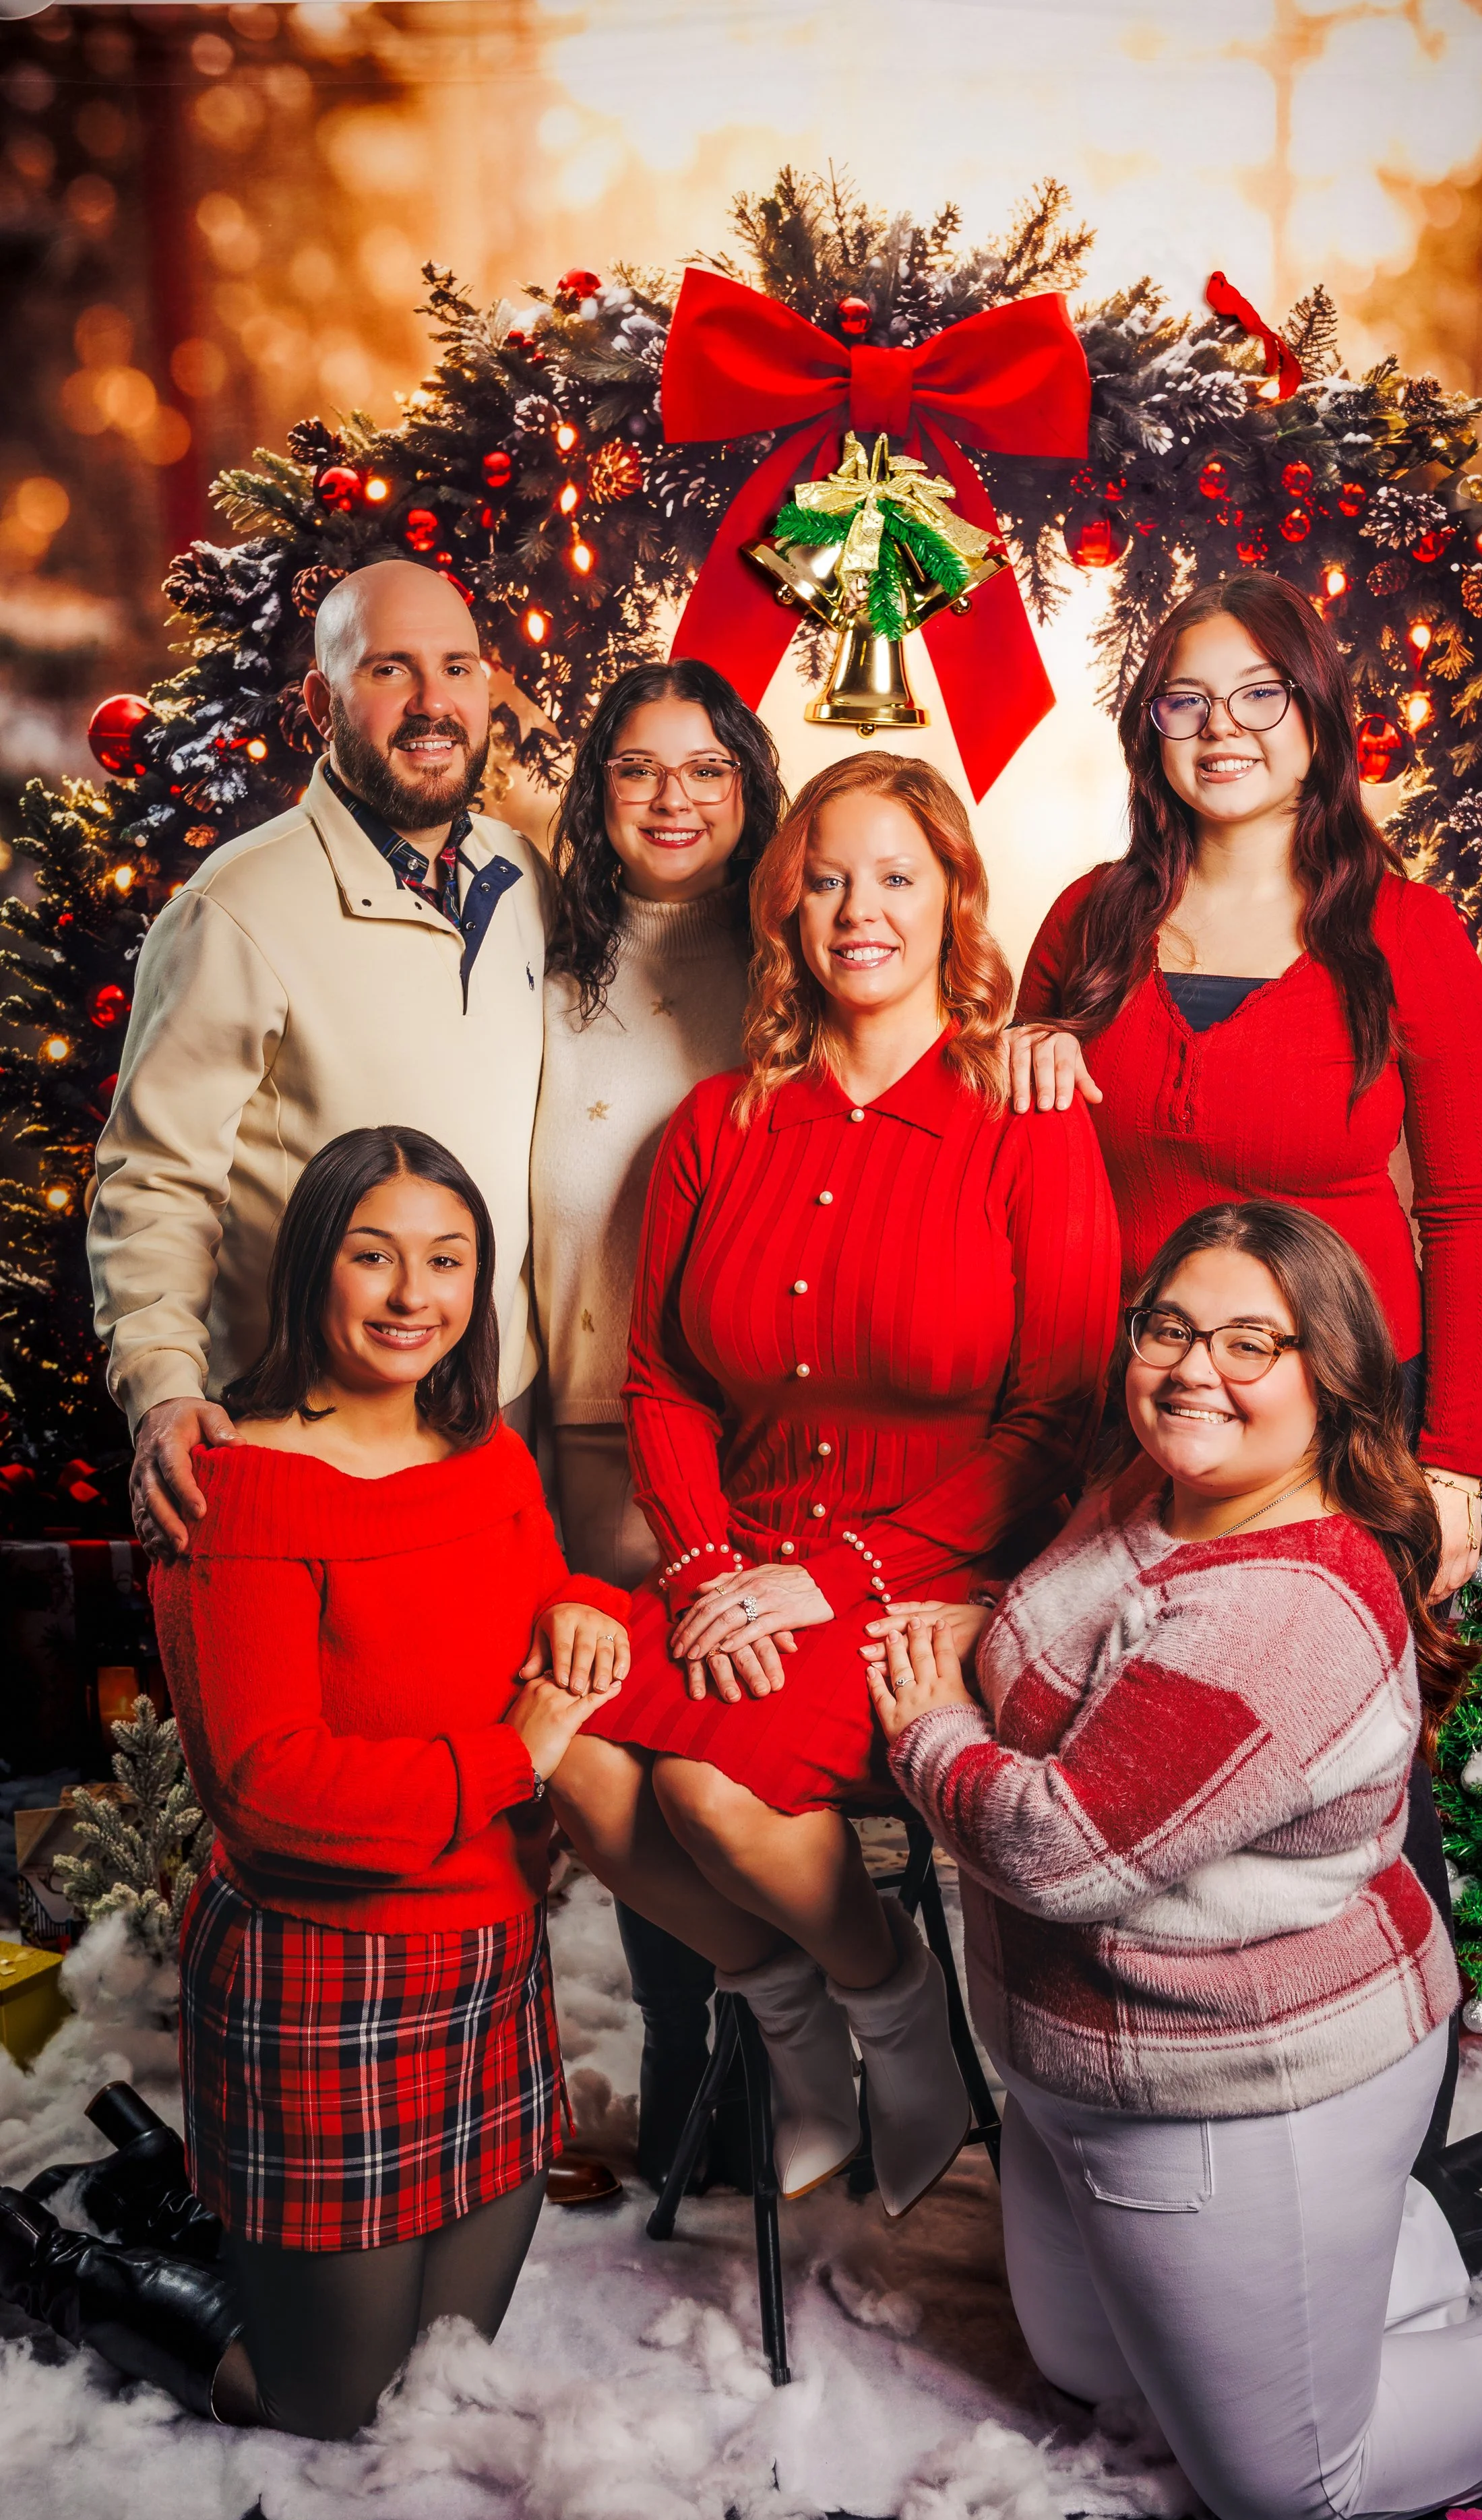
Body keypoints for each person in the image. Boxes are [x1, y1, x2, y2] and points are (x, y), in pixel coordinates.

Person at [869, 1200, 1482, 2520]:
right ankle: (1370, 2263)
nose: (1196, 1370)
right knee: (1085, 2369)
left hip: (1234, 2085)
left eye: (1254, 1343)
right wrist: (969, 1629)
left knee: (1287, 2485)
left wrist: (927, 1725)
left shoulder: (1281, 1608)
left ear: (1331, 1381)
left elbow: (1055, 1849)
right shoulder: (1152, 1486)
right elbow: (1062, 1646)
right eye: (1170, 1330)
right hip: (1072, 2063)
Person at [546, 751, 1121, 2219]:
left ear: (950, 904)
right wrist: (695, 1576)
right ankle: (791, 2020)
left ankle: (896, 2004)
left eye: (895, 877)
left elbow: (1052, 1421)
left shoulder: (1022, 1118)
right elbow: (664, 1382)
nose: (855, 908)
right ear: (783, 910)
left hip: (932, 1588)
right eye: (822, 879)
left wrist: (833, 1580)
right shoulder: (721, 1128)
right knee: (571, 1756)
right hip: (735, 1566)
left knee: (710, 1789)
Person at [1, 1128, 629, 2436]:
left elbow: (533, 1587)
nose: (415, 1296)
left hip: (490, 1954)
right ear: (311, 1271)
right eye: (375, 1256)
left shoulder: (487, 1452)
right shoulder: (237, 1490)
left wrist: (577, 1607)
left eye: (447, 1260)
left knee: (441, 2366)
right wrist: (516, 1753)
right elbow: (267, 1790)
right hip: (324, 1973)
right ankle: (57, 2267)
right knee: (333, 2405)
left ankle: (168, 2192)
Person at [1008, 571, 1482, 1605]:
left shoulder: (1413, 936)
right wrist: (1013, 1057)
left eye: (1261, 694)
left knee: (1312, 1733)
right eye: (1185, 701)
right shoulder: (1085, 926)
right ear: (1152, 731)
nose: (1221, 728)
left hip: (1343, 1419)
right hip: (1128, 1405)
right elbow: (1018, 1189)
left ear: (1318, 715)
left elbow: (1465, 1214)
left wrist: (1454, 1461)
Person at [89, 558, 551, 1563]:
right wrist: (164, 1386)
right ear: (318, 702)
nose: (435, 703)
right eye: (391, 669)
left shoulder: (524, 878)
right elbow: (156, 1175)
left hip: (496, 1428)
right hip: (308, 1442)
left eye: (459, 667)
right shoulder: (237, 909)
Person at [530, 660, 784, 2189]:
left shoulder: (793, 948)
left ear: (748, 788)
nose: (672, 799)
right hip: (576, 1422)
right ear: (595, 794)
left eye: (704, 769)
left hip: (743, 1430)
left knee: (730, 1748)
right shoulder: (543, 965)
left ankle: (756, 2052)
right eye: (637, 769)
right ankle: (685, 2039)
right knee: (622, 1734)